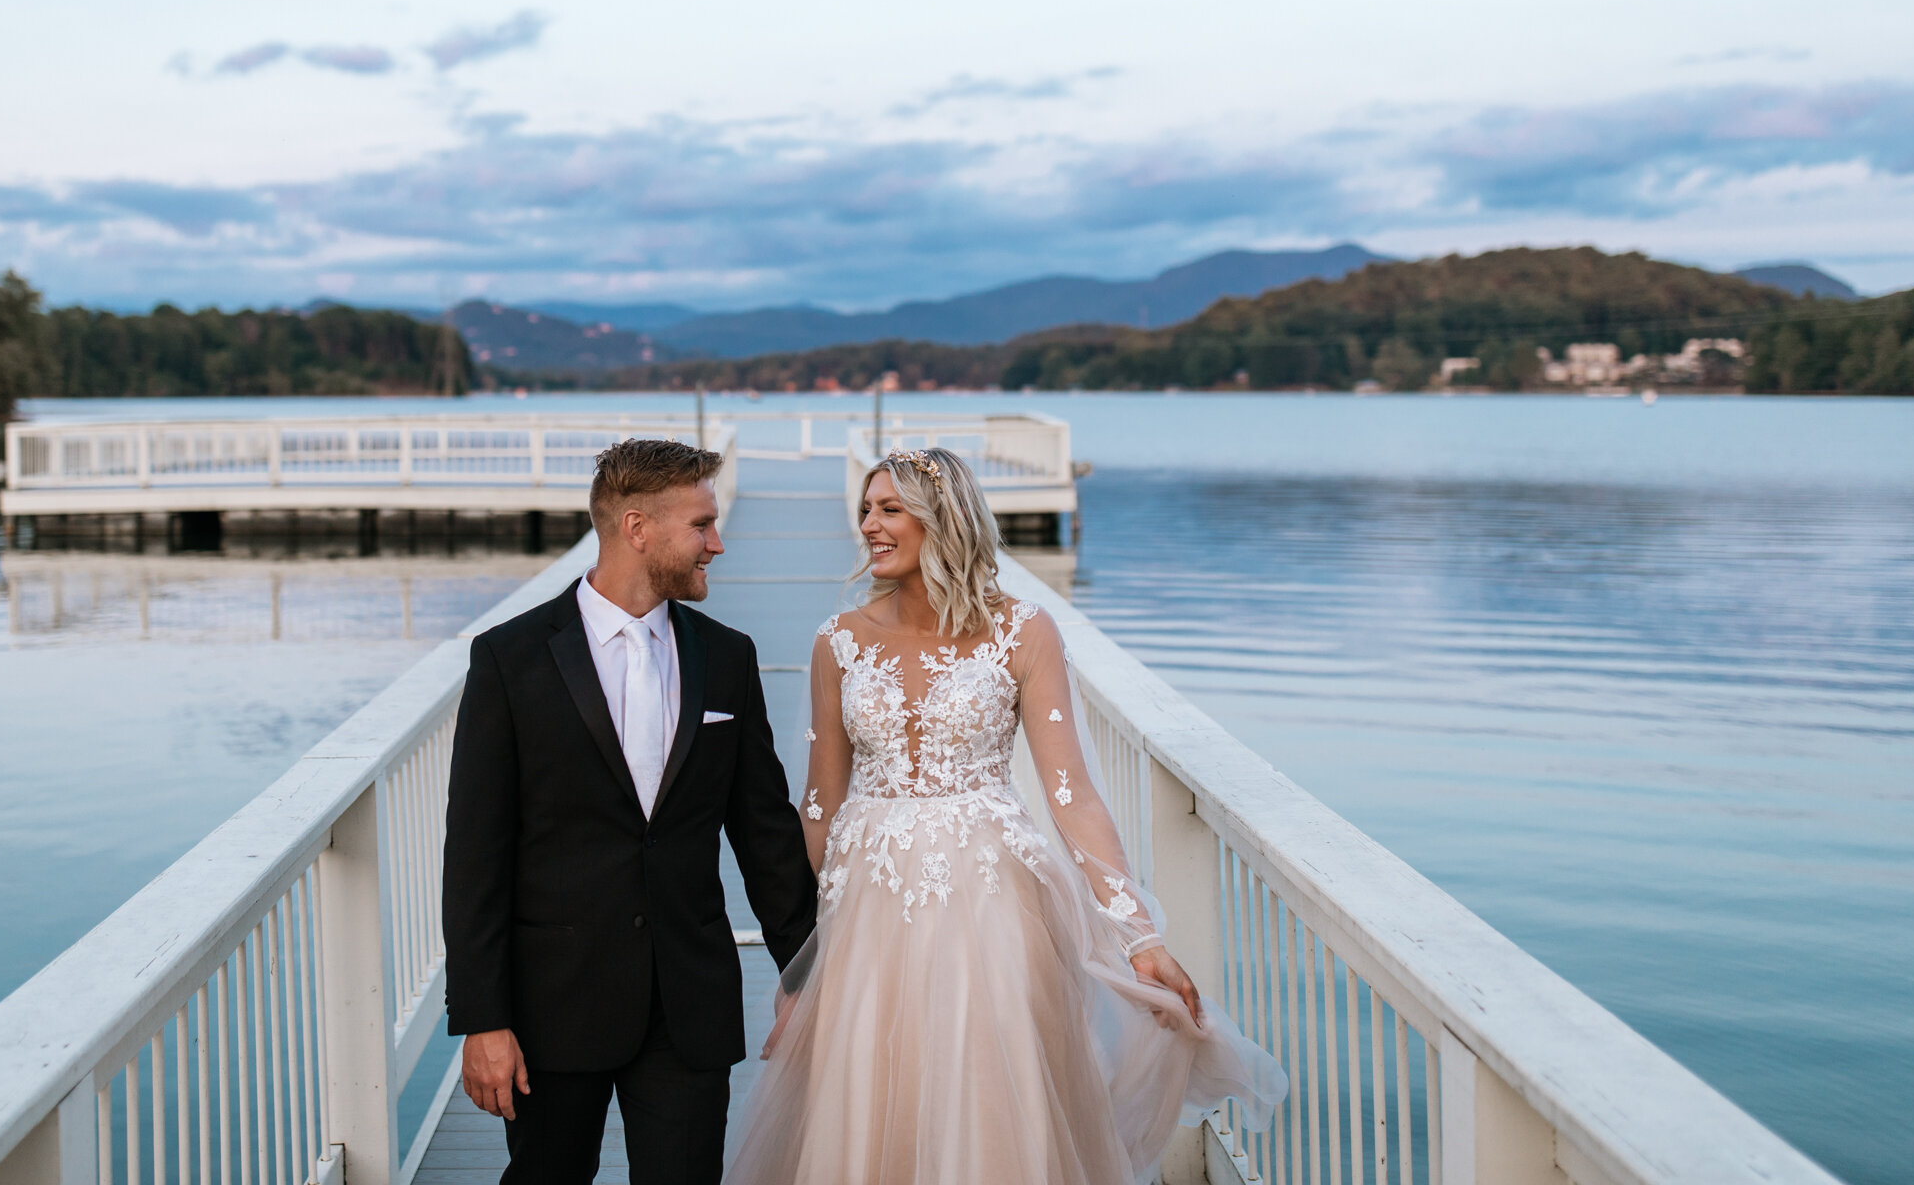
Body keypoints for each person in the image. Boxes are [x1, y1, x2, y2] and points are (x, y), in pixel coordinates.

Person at [726, 447, 1286, 1185]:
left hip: (992, 903)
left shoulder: (1025, 632)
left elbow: (1072, 795)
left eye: (889, 509)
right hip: (867, 912)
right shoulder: (839, 640)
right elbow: (820, 807)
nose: (869, 525)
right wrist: (806, 968)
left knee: (987, 1088)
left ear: (942, 518)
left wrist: (1139, 937)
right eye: (866, 509)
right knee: (868, 1094)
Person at [442, 438, 816, 1185]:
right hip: (552, 1004)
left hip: (688, 1006)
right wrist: (483, 1018)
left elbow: (766, 836)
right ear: (637, 528)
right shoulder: (509, 659)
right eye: (702, 525)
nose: (718, 542)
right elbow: (476, 854)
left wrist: (809, 981)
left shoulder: (728, 658)